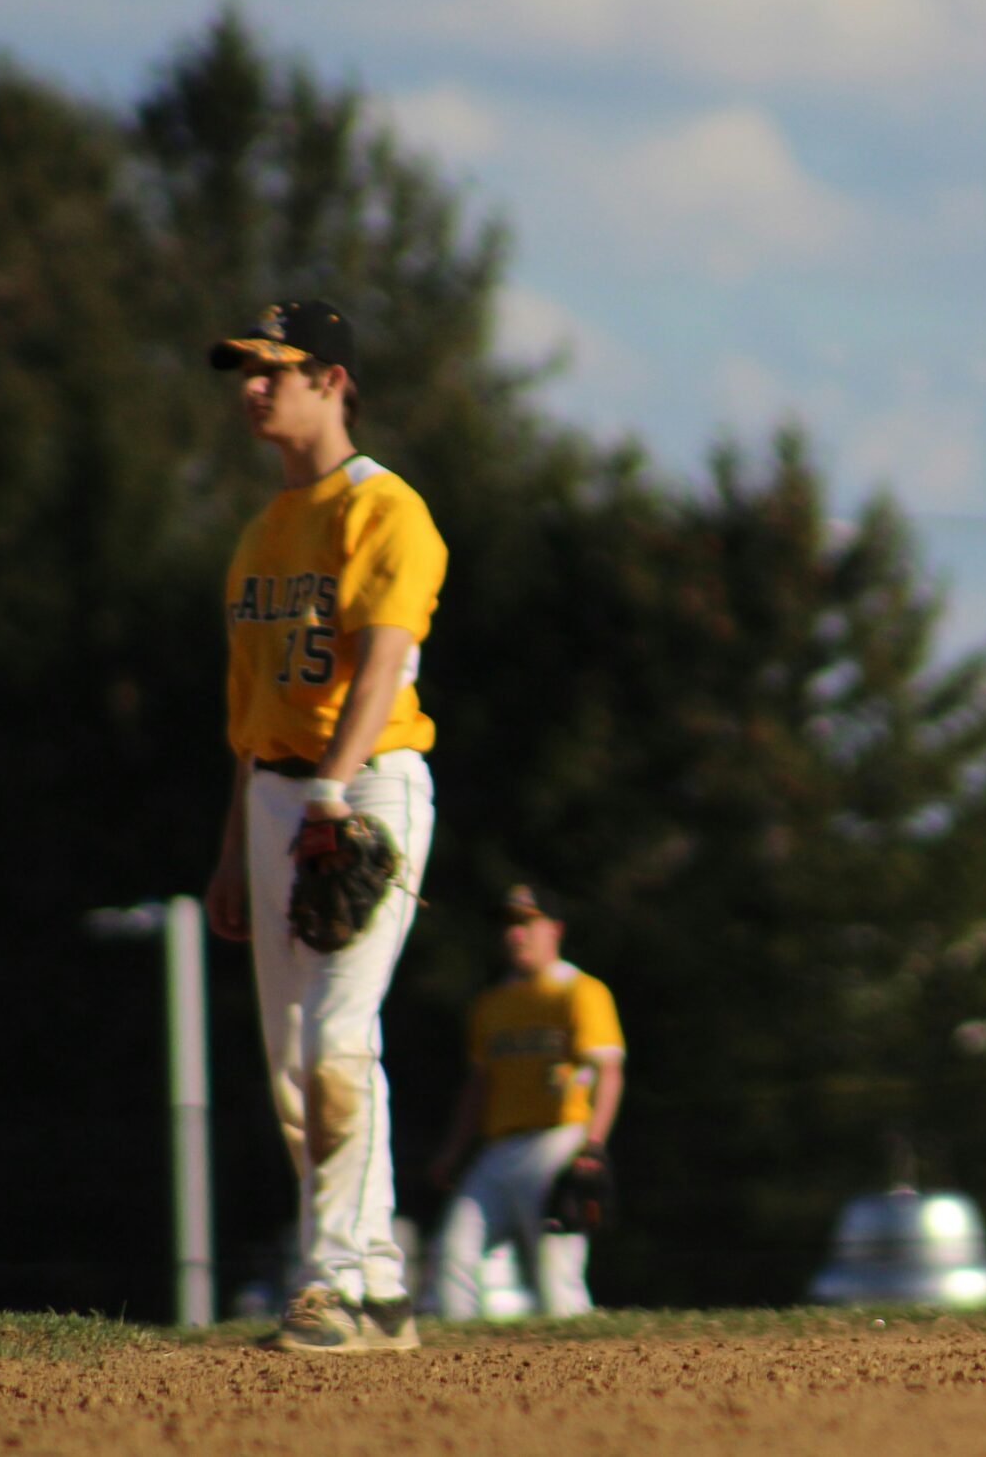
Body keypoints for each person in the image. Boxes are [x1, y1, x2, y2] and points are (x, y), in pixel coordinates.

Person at [201, 299, 448, 1354]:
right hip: (274, 799)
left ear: (334, 380)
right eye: (245, 370)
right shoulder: (262, 533)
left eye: (277, 368)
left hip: (363, 790)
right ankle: (381, 1284)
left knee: (337, 1042)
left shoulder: (384, 509)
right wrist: (230, 852)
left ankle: (333, 1281)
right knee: (295, 1060)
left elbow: (384, 660)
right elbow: (253, 716)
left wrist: (331, 797)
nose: (255, 385)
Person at [429, 885, 626, 1319]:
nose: (515, 934)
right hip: (499, 1150)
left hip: (558, 1144)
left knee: (557, 1276)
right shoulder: (490, 1005)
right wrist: (453, 1151)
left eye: (526, 922)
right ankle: (449, 1370)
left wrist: (593, 1144)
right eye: (508, 924)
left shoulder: (579, 992)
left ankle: (590, 1376)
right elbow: (477, 1087)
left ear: (554, 929)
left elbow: (608, 1072)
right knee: (452, 1254)